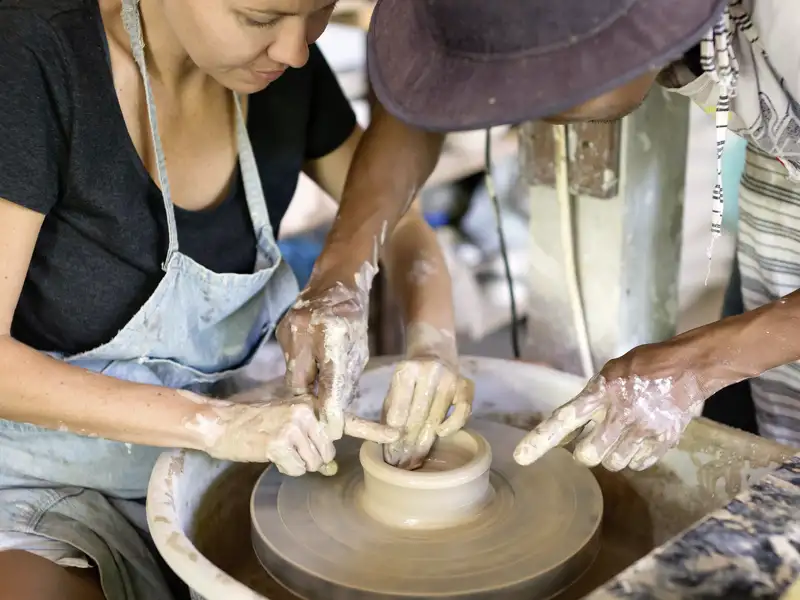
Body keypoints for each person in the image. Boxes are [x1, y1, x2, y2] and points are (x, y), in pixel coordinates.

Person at [0, 0, 474, 597]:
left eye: (322, 11)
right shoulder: (33, 58)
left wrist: (434, 343)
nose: (296, 51)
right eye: (258, 17)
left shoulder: (282, 68)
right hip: (46, 484)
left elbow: (400, 224)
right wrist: (215, 424)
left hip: (222, 460)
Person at [366, 0, 800, 470]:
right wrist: (339, 277)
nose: (515, 106)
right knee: (751, 457)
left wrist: (698, 363)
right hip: (773, 223)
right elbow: (417, 98)